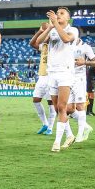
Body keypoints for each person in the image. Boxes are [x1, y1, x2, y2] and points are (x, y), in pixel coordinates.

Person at [35, 8, 79, 152]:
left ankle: (57, 142)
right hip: (52, 72)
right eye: (57, 13)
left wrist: (55, 23)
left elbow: (66, 39)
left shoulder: (73, 30)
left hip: (65, 72)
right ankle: (70, 135)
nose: (58, 15)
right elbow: (39, 42)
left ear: (68, 18)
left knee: (62, 106)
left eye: (62, 13)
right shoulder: (53, 29)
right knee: (57, 107)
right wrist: (50, 28)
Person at [68, 36, 95, 142]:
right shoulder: (65, 45)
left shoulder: (85, 47)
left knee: (80, 106)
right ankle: (86, 127)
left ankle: (80, 134)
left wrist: (84, 63)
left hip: (79, 79)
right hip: (67, 78)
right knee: (69, 109)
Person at [29, 23, 57, 135]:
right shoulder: (43, 46)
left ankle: (50, 127)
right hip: (42, 76)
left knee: (51, 103)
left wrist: (50, 30)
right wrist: (40, 31)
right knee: (36, 100)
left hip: (51, 76)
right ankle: (45, 124)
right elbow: (31, 43)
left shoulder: (55, 46)